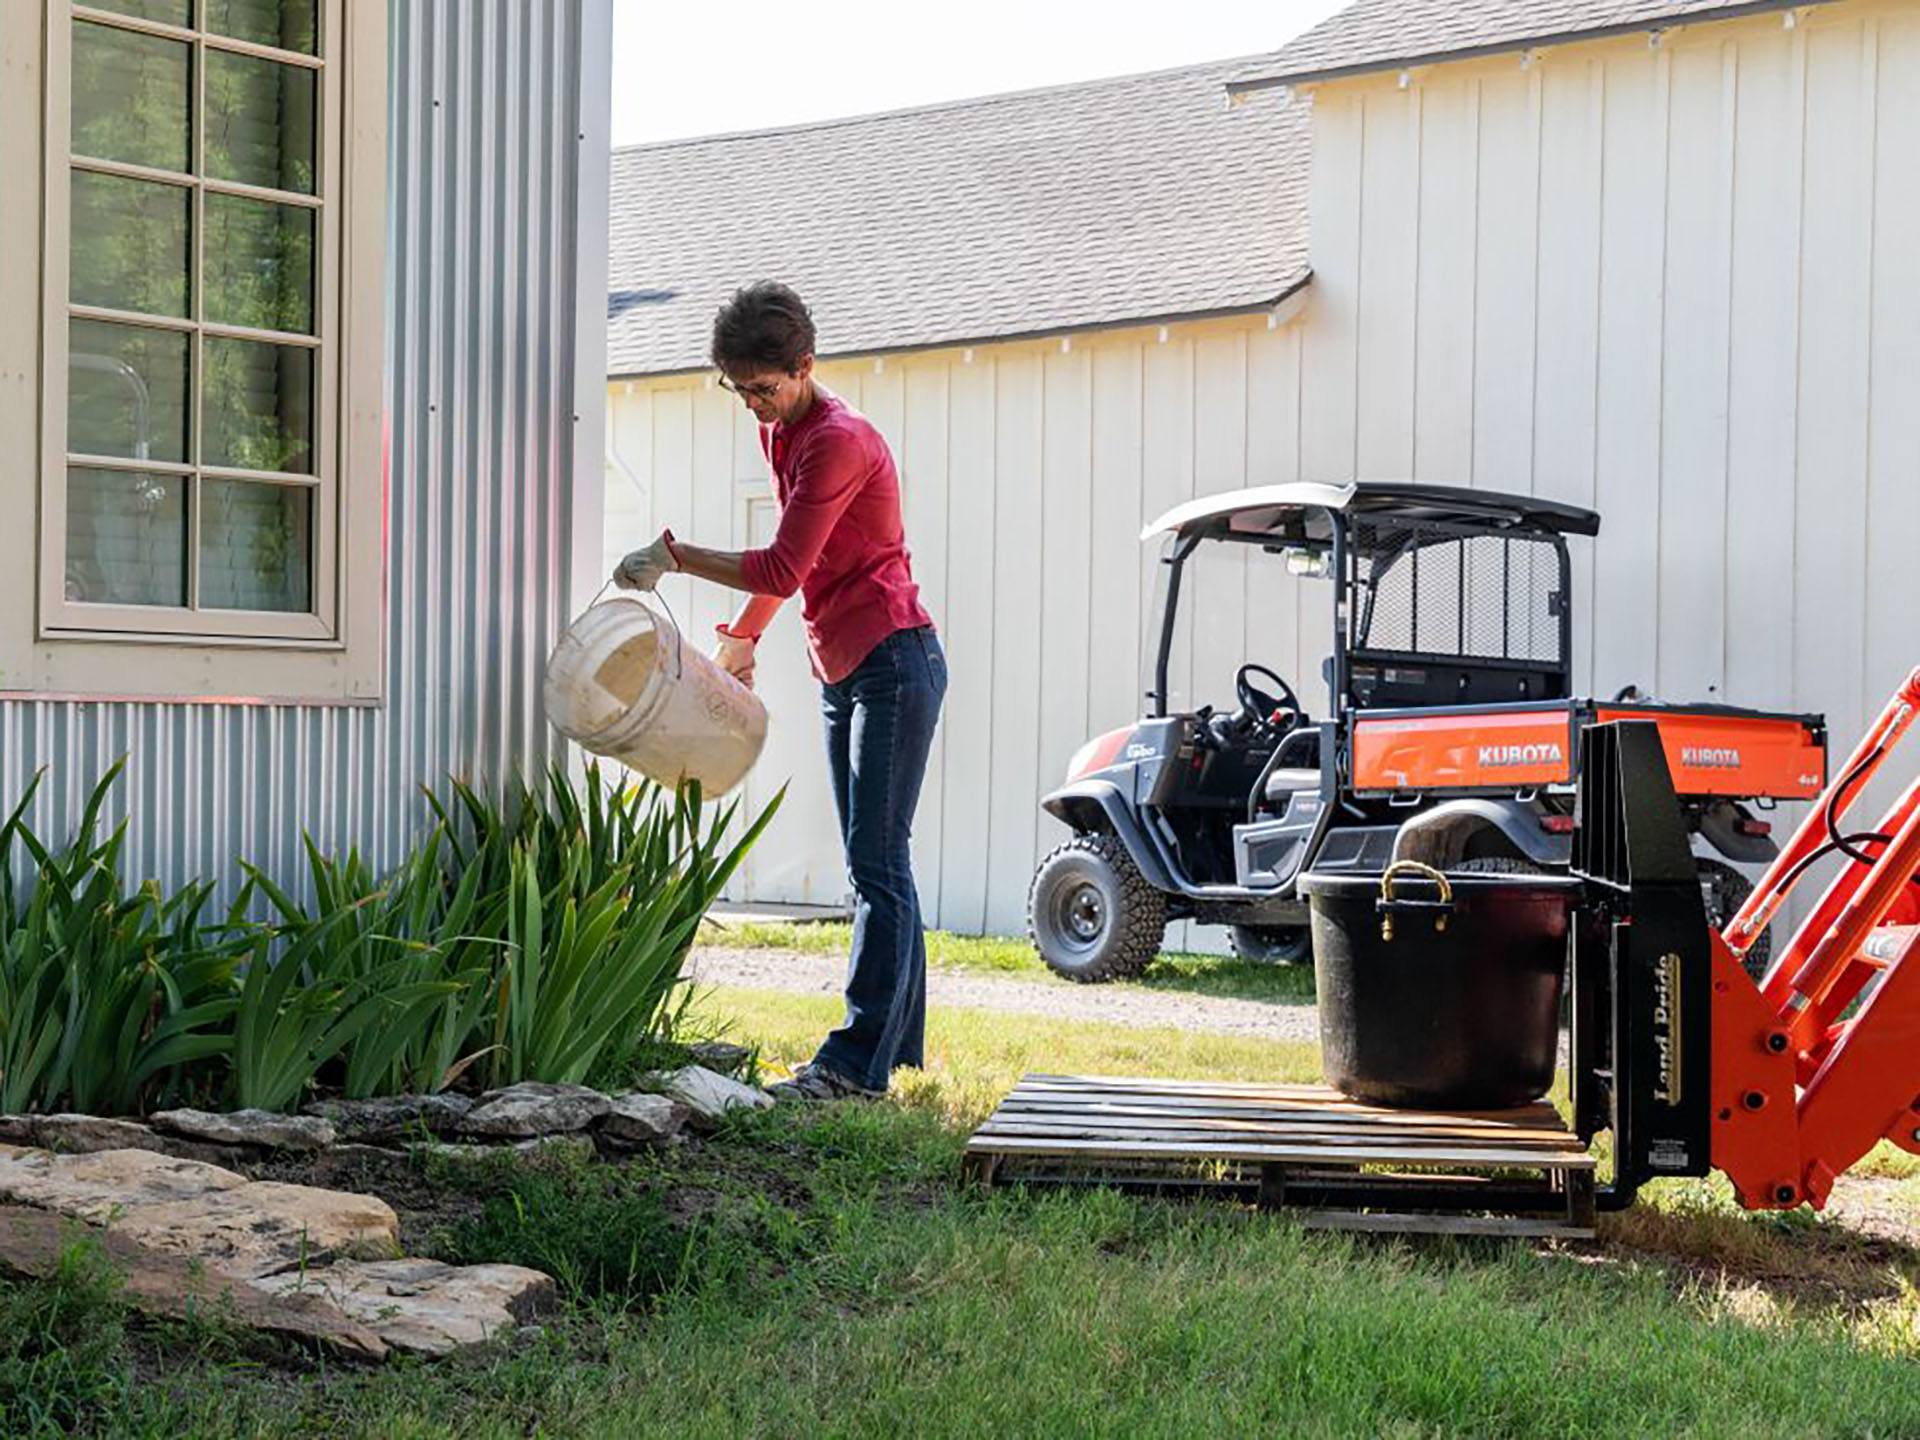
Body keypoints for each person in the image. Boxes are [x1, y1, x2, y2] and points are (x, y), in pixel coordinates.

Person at [614, 281, 946, 1102]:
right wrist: (746, 637)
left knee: (875, 867)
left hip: (895, 661)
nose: (754, 407)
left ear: (805, 366)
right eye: (740, 391)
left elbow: (780, 567)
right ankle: (894, 1055)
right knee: (881, 861)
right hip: (846, 667)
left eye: (764, 389)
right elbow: (795, 560)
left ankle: (850, 1068)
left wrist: (674, 554)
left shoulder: (837, 440)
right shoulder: (786, 433)